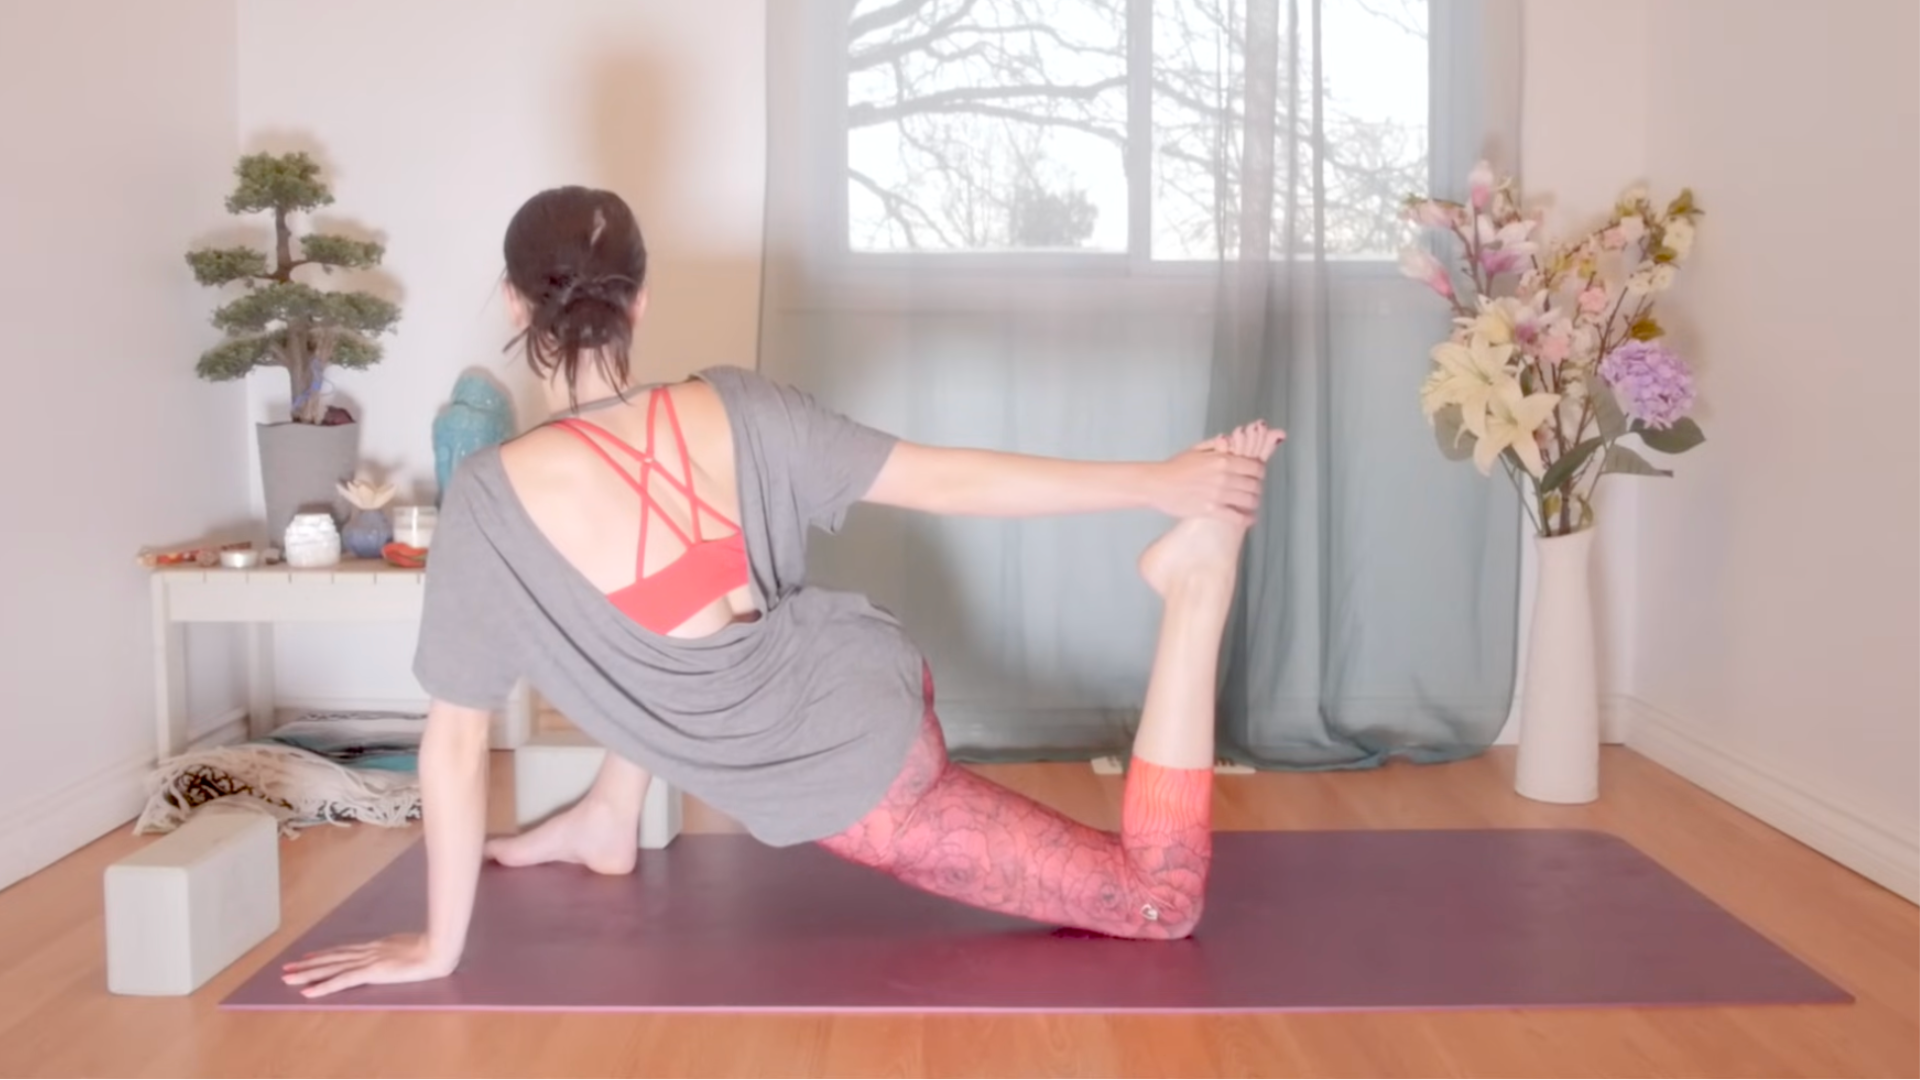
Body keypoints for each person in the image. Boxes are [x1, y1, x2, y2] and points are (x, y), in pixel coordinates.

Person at [280, 186, 1284, 999]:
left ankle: (1194, 585)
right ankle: (605, 816)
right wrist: (1149, 478)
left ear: (511, 302)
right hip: (868, 673)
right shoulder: (735, 405)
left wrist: (438, 947)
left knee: (1160, 902)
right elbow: (944, 478)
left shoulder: (491, 507)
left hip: (866, 785)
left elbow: (454, 743)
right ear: (640, 301)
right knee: (663, 637)